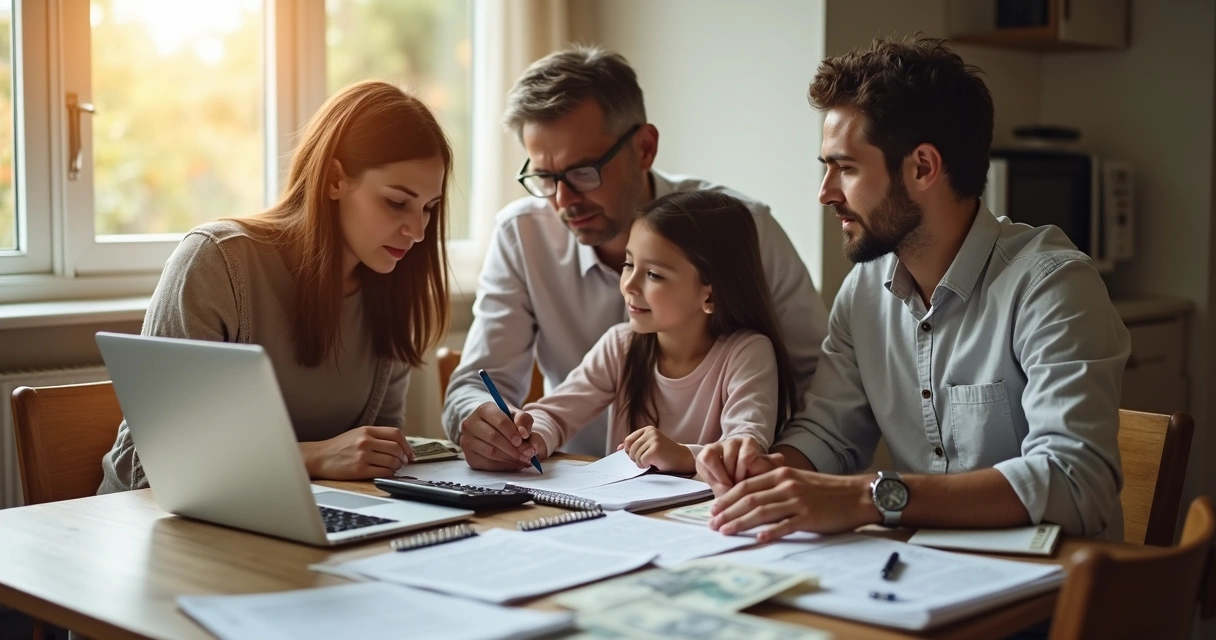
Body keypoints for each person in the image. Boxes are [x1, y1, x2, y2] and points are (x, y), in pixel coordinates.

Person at [697, 37, 1130, 541]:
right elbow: (827, 434)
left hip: (1047, 602)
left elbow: (1078, 484)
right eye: (826, 167)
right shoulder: (864, 290)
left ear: (923, 167)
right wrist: (764, 473)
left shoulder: (1052, 286)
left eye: (847, 167)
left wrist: (869, 498)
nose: (825, 193)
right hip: (915, 578)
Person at [444, 46, 829, 469]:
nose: (563, 199)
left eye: (582, 172)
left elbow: (818, 394)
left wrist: (750, 468)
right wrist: (490, 427)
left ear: (644, 148)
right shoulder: (522, 236)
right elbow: (481, 387)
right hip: (587, 488)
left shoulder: (743, 231)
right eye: (545, 177)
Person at [99, 81, 453, 492]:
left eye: (430, 208)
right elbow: (171, 452)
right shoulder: (217, 261)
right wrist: (316, 456)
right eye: (396, 202)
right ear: (334, 180)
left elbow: (375, 457)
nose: (418, 232)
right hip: (158, 517)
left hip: (295, 520)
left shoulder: (393, 290)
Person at [472, 191, 798, 474]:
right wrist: (530, 439)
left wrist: (683, 455)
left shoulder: (748, 353)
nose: (628, 284)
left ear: (709, 295)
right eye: (629, 264)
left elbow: (745, 453)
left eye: (654, 274)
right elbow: (555, 414)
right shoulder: (621, 344)